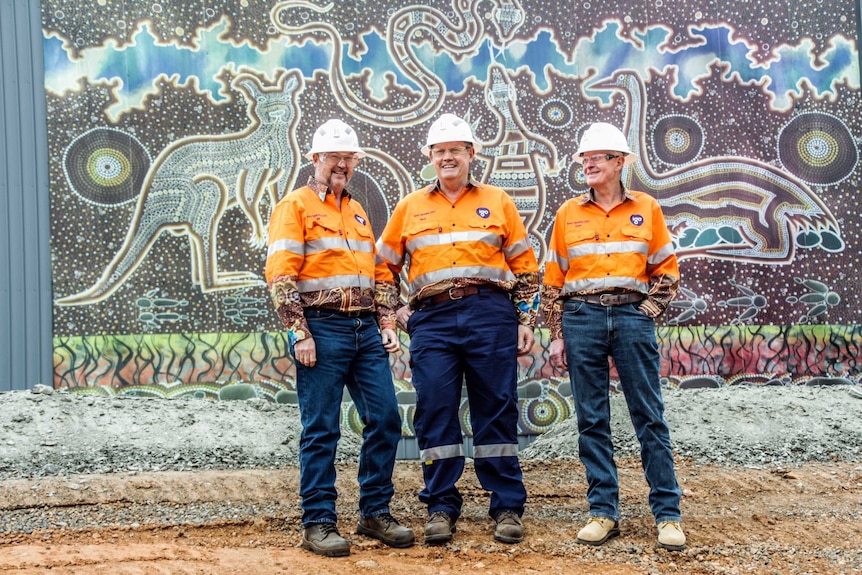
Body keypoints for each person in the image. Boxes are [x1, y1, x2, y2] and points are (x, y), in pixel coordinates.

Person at [377, 113, 539, 545]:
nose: (447, 157)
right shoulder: (409, 207)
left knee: (497, 407)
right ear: (430, 157)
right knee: (435, 408)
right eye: (440, 151)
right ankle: (441, 505)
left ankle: (505, 504)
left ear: (471, 154)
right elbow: (383, 268)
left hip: (490, 313)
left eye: (456, 150)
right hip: (431, 319)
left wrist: (525, 318)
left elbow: (525, 267)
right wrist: (395, 311)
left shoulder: (499, 201)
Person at [265, 119, 414, 557]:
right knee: (321, 429)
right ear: (315, 159)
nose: (342, 165)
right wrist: (300, 332)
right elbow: (280, 275)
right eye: (335, 157)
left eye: (349, 159)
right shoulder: (294, 207)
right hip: (321, 329)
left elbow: (377, 275)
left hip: (365, 329)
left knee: (386, 419)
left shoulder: (358, 210)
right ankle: (318, 523)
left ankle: (374, 513)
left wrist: (387, 322)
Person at [541, 122, 686, 551]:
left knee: (649, 417)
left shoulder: (648, 209)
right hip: (581, 317)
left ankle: (668, 515)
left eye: (597, 158)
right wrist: (557, 334)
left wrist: (646, 311)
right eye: (584, 159)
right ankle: (603, 512)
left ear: (619, 163)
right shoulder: (568, 213)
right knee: (592, 420)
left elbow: (667, 271)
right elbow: (553, 279)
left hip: (631, 318)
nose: (587, 164)